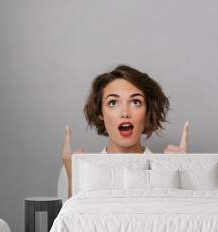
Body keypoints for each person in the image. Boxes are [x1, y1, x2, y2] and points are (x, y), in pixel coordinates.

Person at [57, 65, 189, 201]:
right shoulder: (73, 168)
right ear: (100, 113)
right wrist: (75, 177)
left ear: (148, 111)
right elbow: (69, 222)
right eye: (113, 103)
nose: (125, 113)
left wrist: (180, 177)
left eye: (136, 102)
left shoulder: (167, 169)